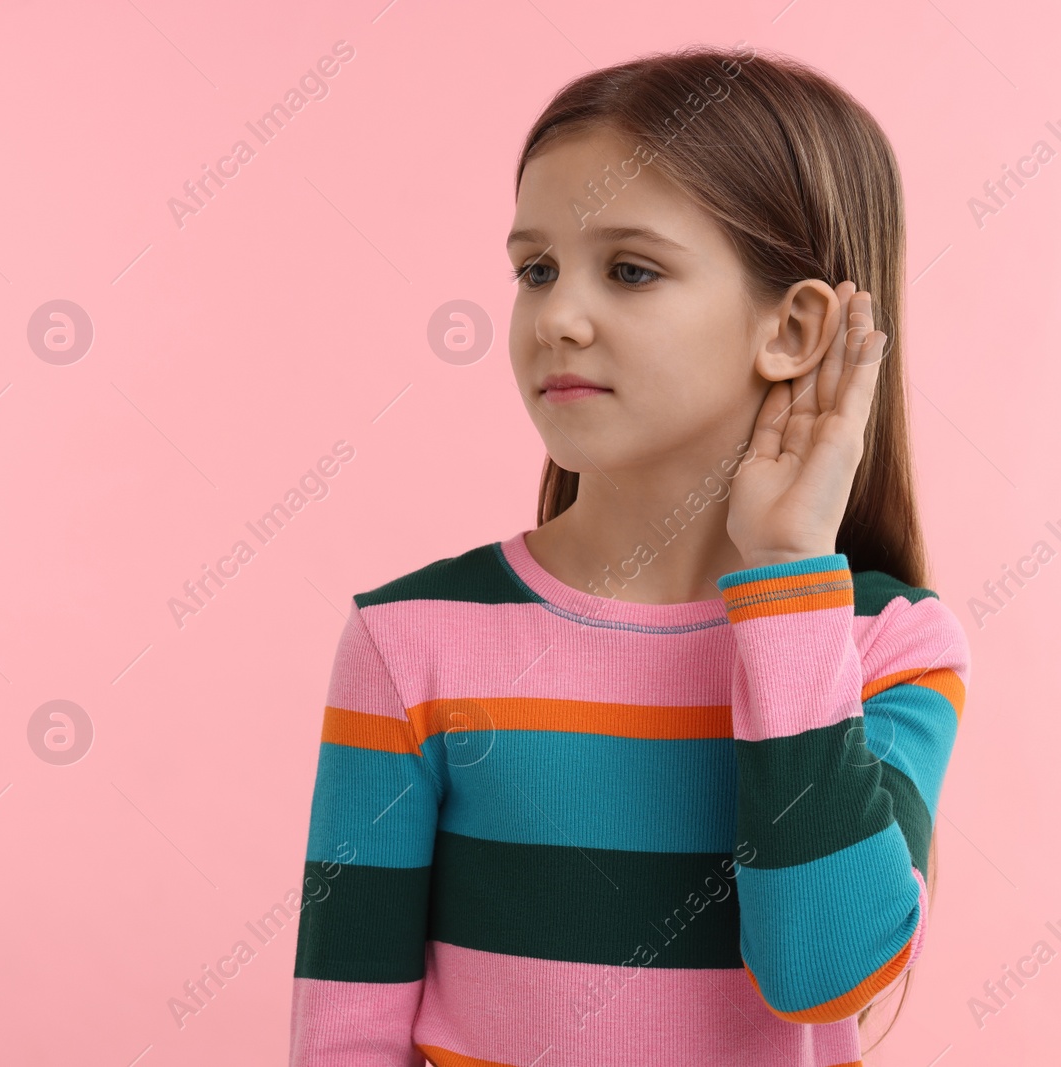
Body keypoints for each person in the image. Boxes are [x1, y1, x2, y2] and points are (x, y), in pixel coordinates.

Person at [288, 43, 969, 1067]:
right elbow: (343, 1032)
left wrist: (787, 572)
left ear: (792, 326)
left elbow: (821, 973)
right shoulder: (409, 640)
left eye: (630, 269)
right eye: (535, 269)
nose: (557, 316)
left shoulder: (888, 641)